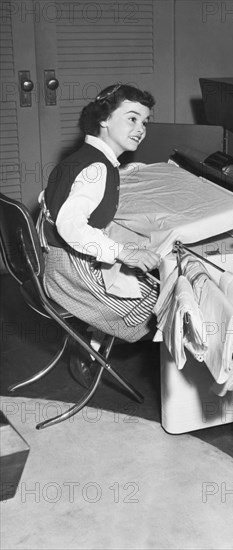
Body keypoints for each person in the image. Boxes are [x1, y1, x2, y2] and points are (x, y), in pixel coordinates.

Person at [38, 84, 161, 383]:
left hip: (54, 263)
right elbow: (70, 226)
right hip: (70, 273)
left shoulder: (82, 157)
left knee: (140, 274)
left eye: (144, 121)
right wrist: (123, 252)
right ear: (104, 119)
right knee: (163, 302)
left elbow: (47, 200)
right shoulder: (98, 168)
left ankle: (92, 339)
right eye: (132, 118)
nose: (141, 128)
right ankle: (93, 345)